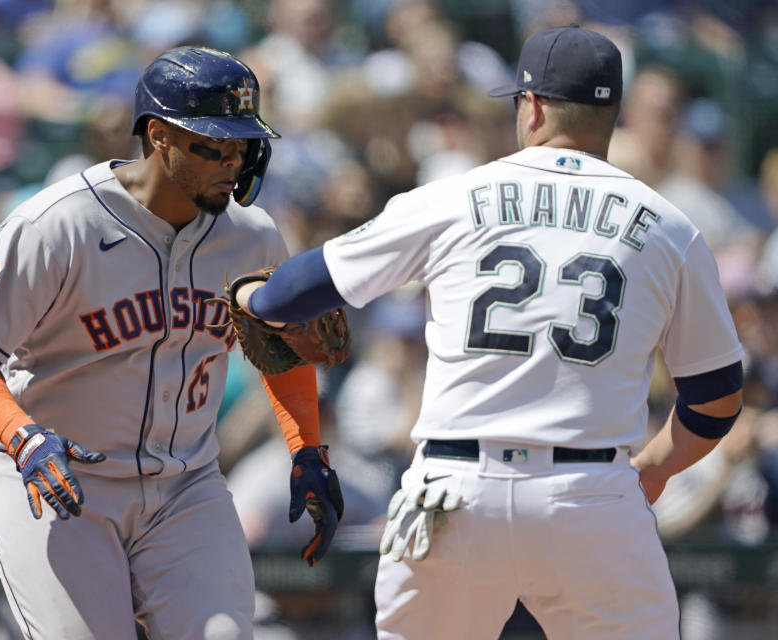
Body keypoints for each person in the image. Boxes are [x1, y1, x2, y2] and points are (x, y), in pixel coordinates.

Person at [231, 25, 745, 639]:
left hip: (454, 490)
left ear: (529, 106)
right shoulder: (669, 227)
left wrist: (247, 294)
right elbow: (716, 397)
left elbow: (290, 296)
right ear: (616, 115)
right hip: (590, 494)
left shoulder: (451, 197)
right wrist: (655, 469)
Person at [0, 47, 343, 639]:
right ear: (159, 136)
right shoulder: (61, 223)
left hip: (186, 487)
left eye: (241, 146)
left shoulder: (251, 238)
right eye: (214, 146)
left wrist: (307, 448)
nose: (233, 163)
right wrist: (19, 437)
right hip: (62, 483)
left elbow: (280, 349)